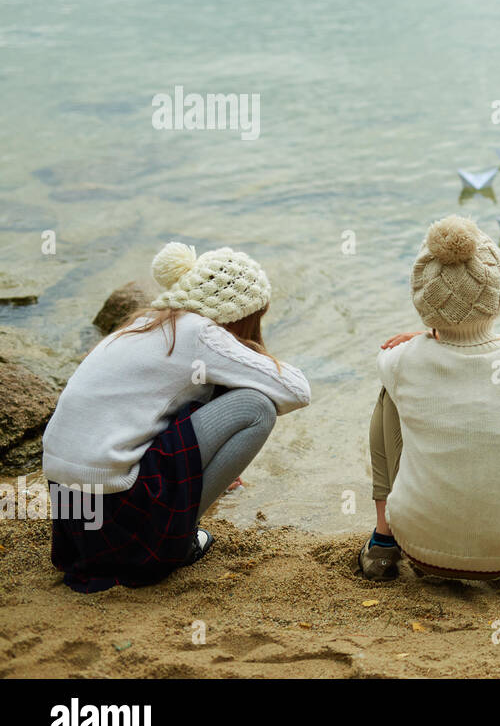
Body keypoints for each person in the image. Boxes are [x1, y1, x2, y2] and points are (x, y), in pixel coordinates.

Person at [42, 241, 311, 592]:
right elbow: (297, 390)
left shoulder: (145, 324)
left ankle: (171, 524)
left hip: (72, 510)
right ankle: (177, 539)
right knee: (256, 407)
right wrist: (250, 351)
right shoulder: (199, 332)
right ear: (243, 312)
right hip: (118, 510)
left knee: (190, 401)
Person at [358, 216, 500, 583]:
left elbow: (439, 353)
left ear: (423, 295)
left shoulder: (402, 361)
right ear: (497, 292)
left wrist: (428, 336)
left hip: (419, 547)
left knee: (390, 394)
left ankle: (382, 542)